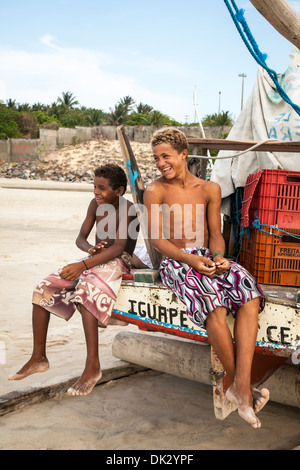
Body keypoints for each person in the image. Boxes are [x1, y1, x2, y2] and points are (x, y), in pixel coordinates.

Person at [143, 127, 269, 429]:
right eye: (156, 158)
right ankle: (241, 391)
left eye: (166, 156)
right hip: (176, 260)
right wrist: (191, 261)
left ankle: (239, 386)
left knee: (247, 289)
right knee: (213, 303)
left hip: (204, 257)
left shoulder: (209, 189)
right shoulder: (154, 190)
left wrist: (219, 258)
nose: (160, 163)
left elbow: (215, 234)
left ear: (183, 154)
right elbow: (158, 241)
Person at [9, 164, 139, 396]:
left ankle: (93, 367)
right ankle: (38, 357)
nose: (96, 192)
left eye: (102, 188)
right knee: (43, 288)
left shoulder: (127, 209)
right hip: (95, 258)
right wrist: (90, 251)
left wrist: (84, 265)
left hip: (119, 260)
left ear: (119, 191)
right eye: (94, 187)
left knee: (87, 289)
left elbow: (119, 248)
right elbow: (80, 238)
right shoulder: (95, 205)